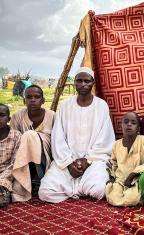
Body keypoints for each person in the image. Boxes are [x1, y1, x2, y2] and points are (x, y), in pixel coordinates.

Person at [39, 67, 115, 203]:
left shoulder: (101, 106)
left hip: (94, 160)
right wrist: (69, 163)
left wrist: (87, 161)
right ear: (74, 83)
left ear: (93, 83)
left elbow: (105, 139)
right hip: (67, 161)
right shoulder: (65, 105)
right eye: (79, 81)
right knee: (45, 192)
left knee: (98, 189)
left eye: (87, 81)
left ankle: (73, 190)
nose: (83, 84)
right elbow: (58, 138)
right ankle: (79, 190)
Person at [11, 85, 55, 202]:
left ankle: (39, 178)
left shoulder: (52, 116)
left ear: (43, 100)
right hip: (24, 158)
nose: (33, 100)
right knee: (28, 137)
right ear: (24, 100)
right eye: (29, 97)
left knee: (30, 135)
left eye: (37, 97)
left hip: (46, 157)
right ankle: (25, 182)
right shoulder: (17, 117)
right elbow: (13, 140)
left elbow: (58, 140)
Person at [106, 112, 144, 206]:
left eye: (133, 123)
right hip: (120, 181)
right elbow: (114, 164)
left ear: (138, 128)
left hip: (136, 181)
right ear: (121, 125)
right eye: (126, 122)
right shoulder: (116, 144)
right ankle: (135, 199)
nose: (129, 124)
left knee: (132, 199)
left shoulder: (142, 140)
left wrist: (133, 174)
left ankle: (138, 197)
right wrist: (112, 177)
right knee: (111, 198)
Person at [0, 104, 21, 208]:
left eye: (2, 115)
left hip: (6, 175)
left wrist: (2, 178)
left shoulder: (16, 136)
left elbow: (14, 164)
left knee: (2, 197)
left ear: (8, 119)